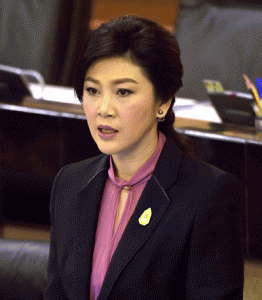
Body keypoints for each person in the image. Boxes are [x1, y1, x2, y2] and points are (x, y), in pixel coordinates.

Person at [44, 15, 244, 300]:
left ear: (162, 102)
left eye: (123, 92)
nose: (104, 108)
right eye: (92, 91)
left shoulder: (208, 196)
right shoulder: (69, 183)